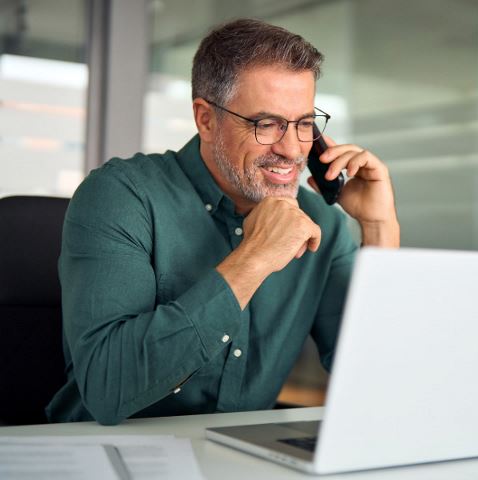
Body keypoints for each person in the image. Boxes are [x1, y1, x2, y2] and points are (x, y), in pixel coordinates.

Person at [46, 18, 400, 425]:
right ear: (206, 119)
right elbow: (107, 390)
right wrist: (255, 258)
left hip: (240, 459)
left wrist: (379, 227)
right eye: (266, 124)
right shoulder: (122, 196)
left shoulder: (323, 222)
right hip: (106, 453)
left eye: (304, 124)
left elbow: (378, 377)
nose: (291, 149)